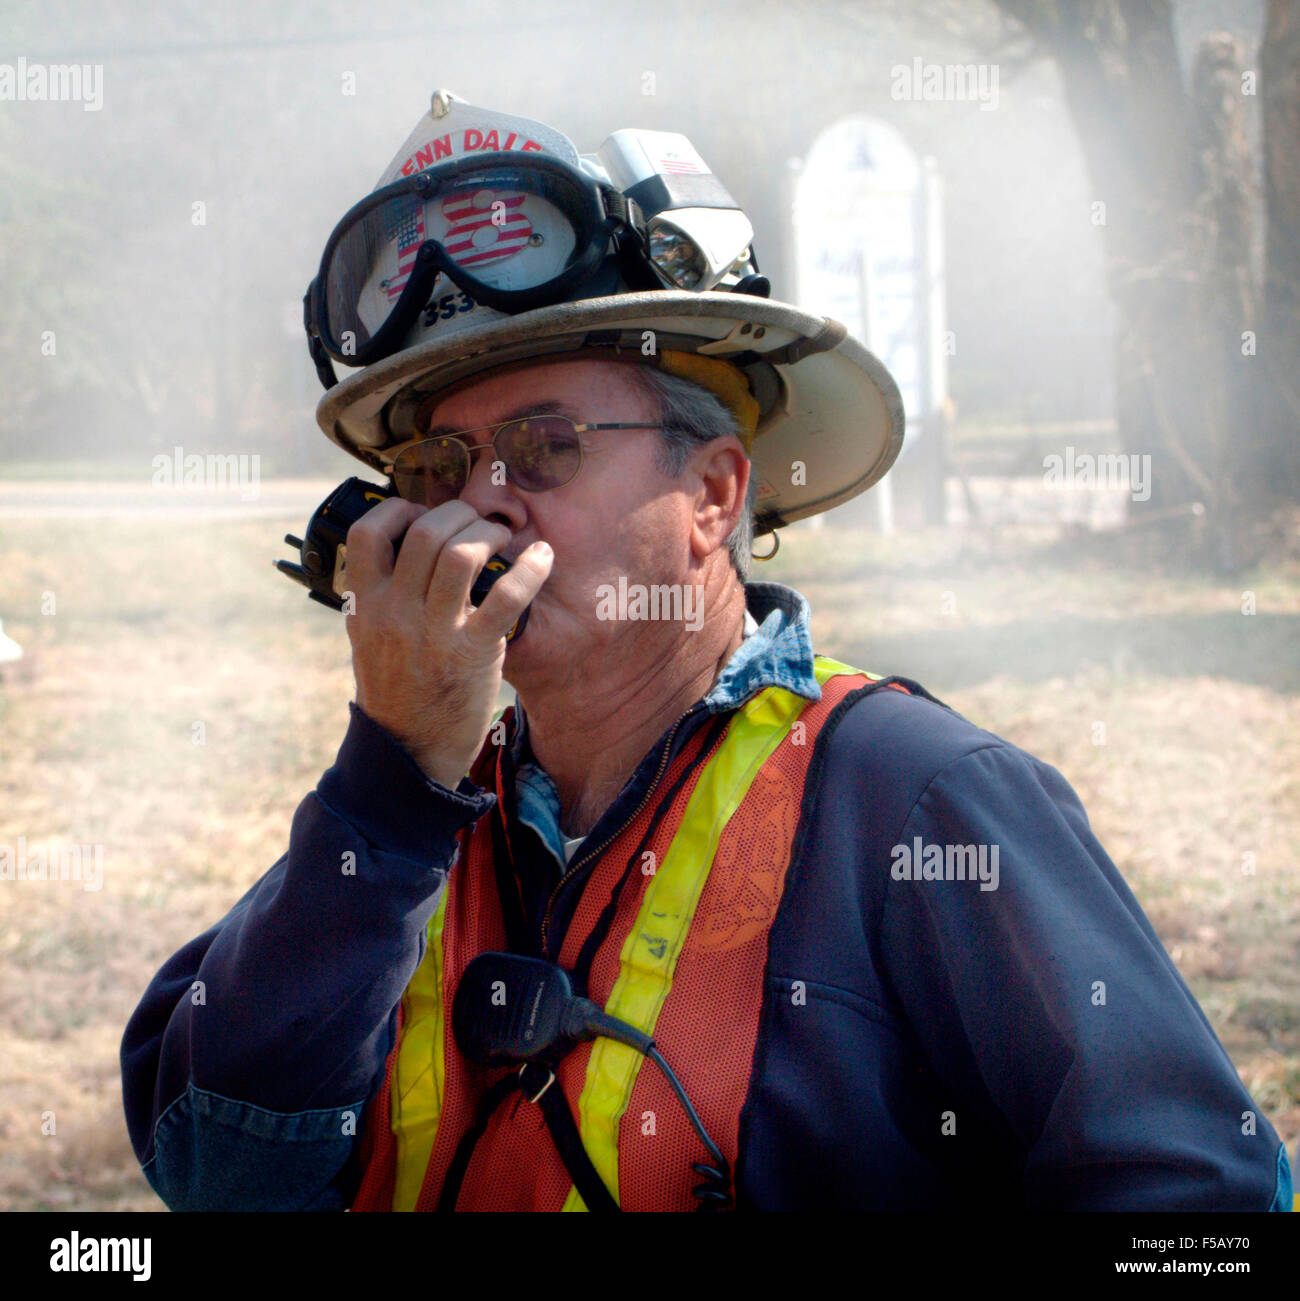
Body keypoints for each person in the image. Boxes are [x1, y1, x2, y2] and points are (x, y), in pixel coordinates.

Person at [121, 90, 1293, 1213]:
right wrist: (387, 785)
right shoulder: (400, 823)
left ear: (713, 492)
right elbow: (220, 1171)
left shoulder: (920, 800)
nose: (477, 510)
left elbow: (1199, 1205)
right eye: (439, 465)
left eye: (545, 446)